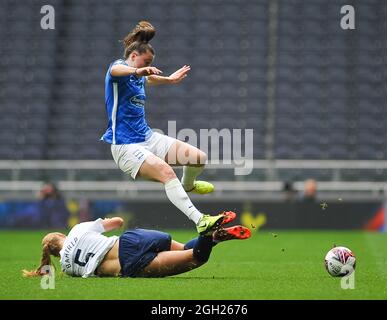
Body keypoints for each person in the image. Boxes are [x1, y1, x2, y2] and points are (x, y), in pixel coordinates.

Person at [100, 21, 223, 235]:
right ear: (134, 57)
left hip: (148, 138)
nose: (146, 67)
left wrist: (168, 79)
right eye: (145, 62)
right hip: (125, 146)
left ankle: (187, 186)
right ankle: (200, 220)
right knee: (167, 173)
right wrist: (139, 71)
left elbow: (149, 79)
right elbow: (117, 70)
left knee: (198, 158)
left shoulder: (138, 76)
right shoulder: (118, 69)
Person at [22, 213, 251, 278]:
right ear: (61, 235)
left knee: (195, 258)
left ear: (52, 254)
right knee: (185, 250)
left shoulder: (66, 268)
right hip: (131, 240)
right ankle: (212, 236)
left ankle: (209, 235)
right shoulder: (78, 229)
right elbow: (118, 222)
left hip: (129, 265)